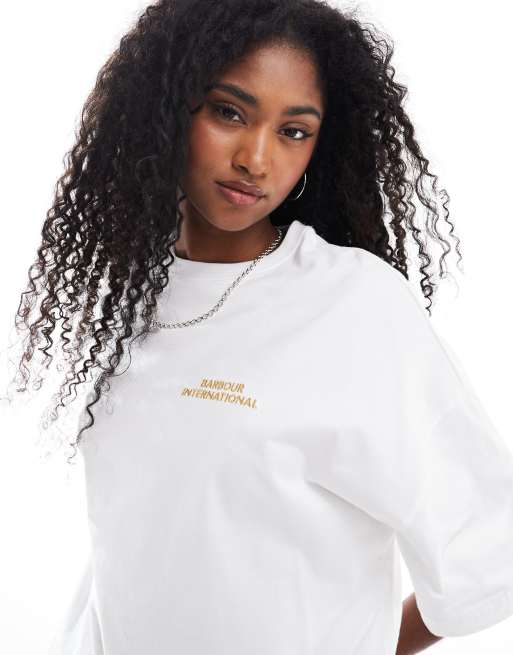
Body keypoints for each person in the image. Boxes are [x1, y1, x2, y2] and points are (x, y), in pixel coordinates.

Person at [3, 1, 513, 654]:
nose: (256, 158)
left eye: (293, 131)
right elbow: (158, 528)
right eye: (229, 113)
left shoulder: (352, 304)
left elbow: (490, 548)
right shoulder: (129, 287)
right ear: (169, 107)